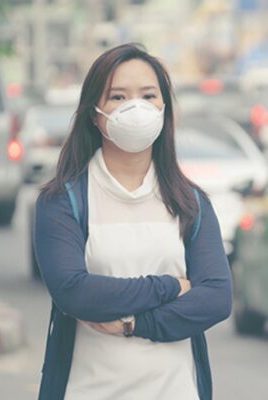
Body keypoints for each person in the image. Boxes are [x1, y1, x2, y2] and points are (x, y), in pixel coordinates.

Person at [33, 43, 232, 400]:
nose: (135, 107)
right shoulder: (63, 202)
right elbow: (74, 293)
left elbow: (216, 299)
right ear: (95, 113)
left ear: (164, 108)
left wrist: (134, 324)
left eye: (148, 95)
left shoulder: (190, 203)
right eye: (118, 97)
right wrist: (171, 287)